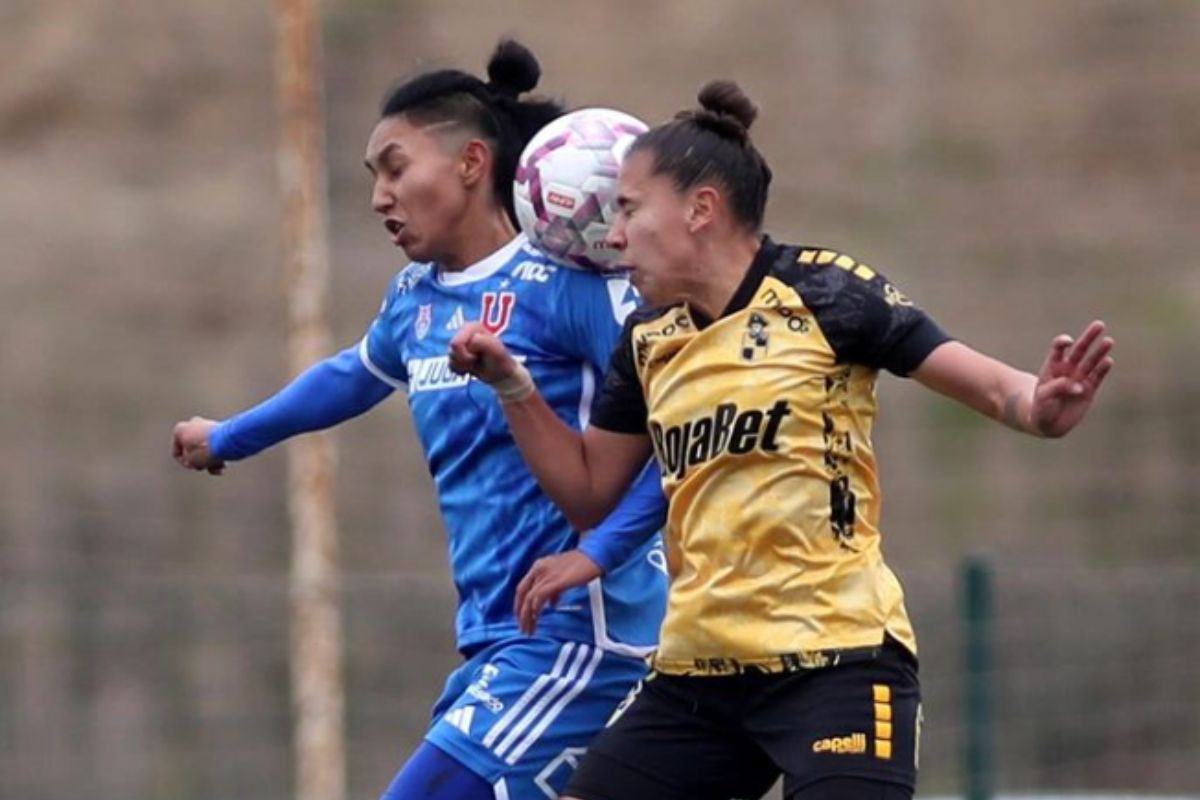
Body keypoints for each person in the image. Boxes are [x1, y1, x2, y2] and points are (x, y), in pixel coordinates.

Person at [448, 80, 1115, 800]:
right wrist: (513, 386)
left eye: (630, 211)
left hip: (838, 663)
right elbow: (588, 495)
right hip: (698, 678)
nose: (612, 236)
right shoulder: (648, 340)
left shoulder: (827, 293)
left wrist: (1038, 406)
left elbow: (992, 386)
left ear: (700, 210)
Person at [171, 40, 668, 800]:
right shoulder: (416, 300)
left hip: (583, 640)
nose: (380, 196)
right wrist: (229, 436)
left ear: (471, 163)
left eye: (396, 168)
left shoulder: (568, 287)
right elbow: (350, 377)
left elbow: (678, 438)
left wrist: (596, 552)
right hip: (496, 642)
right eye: (374, 178)